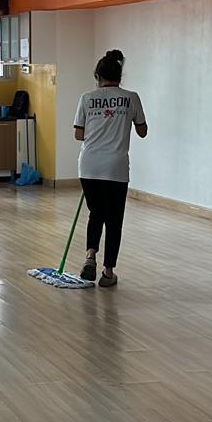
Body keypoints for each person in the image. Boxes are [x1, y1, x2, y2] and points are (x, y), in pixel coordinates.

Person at [73, 49, 147, 288]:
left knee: (96, 213)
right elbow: (143, 131)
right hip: (116, 167)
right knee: (114, 219)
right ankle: (107, 273)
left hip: (89, 166)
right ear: (120, 76)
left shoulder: (86, 98)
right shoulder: (131, 97)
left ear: (97, 76)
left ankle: (90, 256)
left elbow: (78, 134)